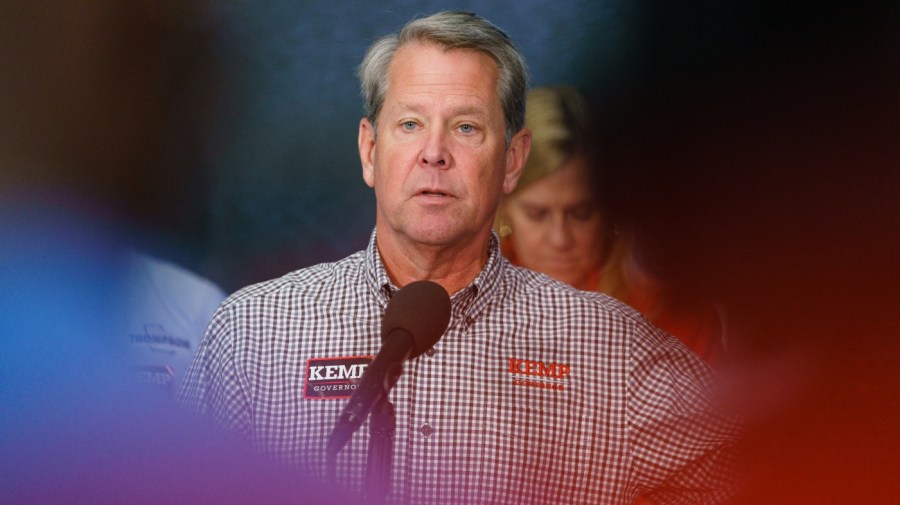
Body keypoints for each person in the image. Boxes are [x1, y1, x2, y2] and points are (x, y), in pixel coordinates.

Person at [178, 11, 737, 504]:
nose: (435, 153)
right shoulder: (253, 333)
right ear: (370, 151)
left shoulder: (611, 352)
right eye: (411, 124)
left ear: (513, 160)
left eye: (466, 127)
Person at [496, 85, 724, 364]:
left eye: (581, 212)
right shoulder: (463, 303)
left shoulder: (673, 315)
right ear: (503, 204)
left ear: (614, 204)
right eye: (537, 214)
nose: (560, 239)